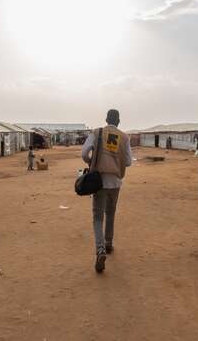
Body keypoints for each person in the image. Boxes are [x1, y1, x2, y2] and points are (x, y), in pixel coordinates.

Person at [81, 109, 132, 273]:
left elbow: (84, 153)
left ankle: (100, 249)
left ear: (105, 119)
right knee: (111, 213)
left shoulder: (97, 132)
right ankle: (109, 244)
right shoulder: (124, 137)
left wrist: (92, 160)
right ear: (118, 121)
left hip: (99, 181)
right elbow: (129, 161)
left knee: (97, 217)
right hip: (116, 182)